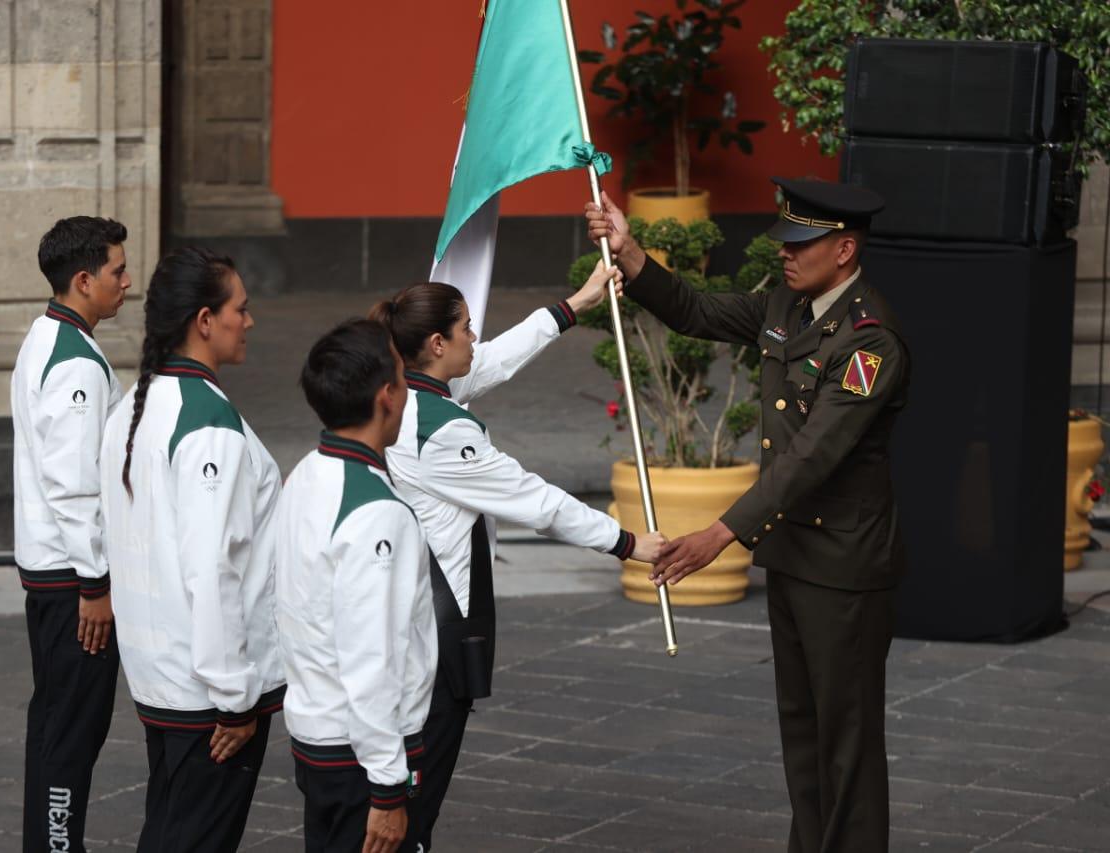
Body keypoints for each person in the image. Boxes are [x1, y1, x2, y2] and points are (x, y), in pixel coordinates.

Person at [587, 178, 909, 853]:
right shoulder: (786, 307)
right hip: (792, 553)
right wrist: (633, 252)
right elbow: (698, 312)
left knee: (846, 742)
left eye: (802, 243)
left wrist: (718, 534)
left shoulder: (869, 344)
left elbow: (811, 459)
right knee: (803, 731)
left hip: (843, 568)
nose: (785, 254)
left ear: (844, 248)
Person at [369, 263, 668, 850]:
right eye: (465, 330)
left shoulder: (401, 397)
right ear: (436, 344)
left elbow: (497, 358)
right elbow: (537, 501)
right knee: (412, 807)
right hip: (436, 634)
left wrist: (574, 304)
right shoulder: (442, 431)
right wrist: (628, 543)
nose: (474, 339)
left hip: (401, 616)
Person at [99, 247, 285, 853]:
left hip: (162, 675)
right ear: (205, 320)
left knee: (172, 832)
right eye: (241, 308)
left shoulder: (134, 403)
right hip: (207, 691)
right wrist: (235, 698)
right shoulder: (205, 421)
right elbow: (212, 567)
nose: (249, 322)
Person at [275, 319, 437, 853]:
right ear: (387, 396)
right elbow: (372, 657)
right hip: (360, 757)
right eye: (402, 374)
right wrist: (388, 788)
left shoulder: (305, 473)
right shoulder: (375, 511)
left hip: (321, 738)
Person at [12, 215, 130, 853]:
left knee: (54, 725)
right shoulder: (76, 364)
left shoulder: (49, 337)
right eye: (116, 271)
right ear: (83, 280)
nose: (126, 281)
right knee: (72, 734)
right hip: (71, 581)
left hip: (52, 574)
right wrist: (96, 583)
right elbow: (73, 485)